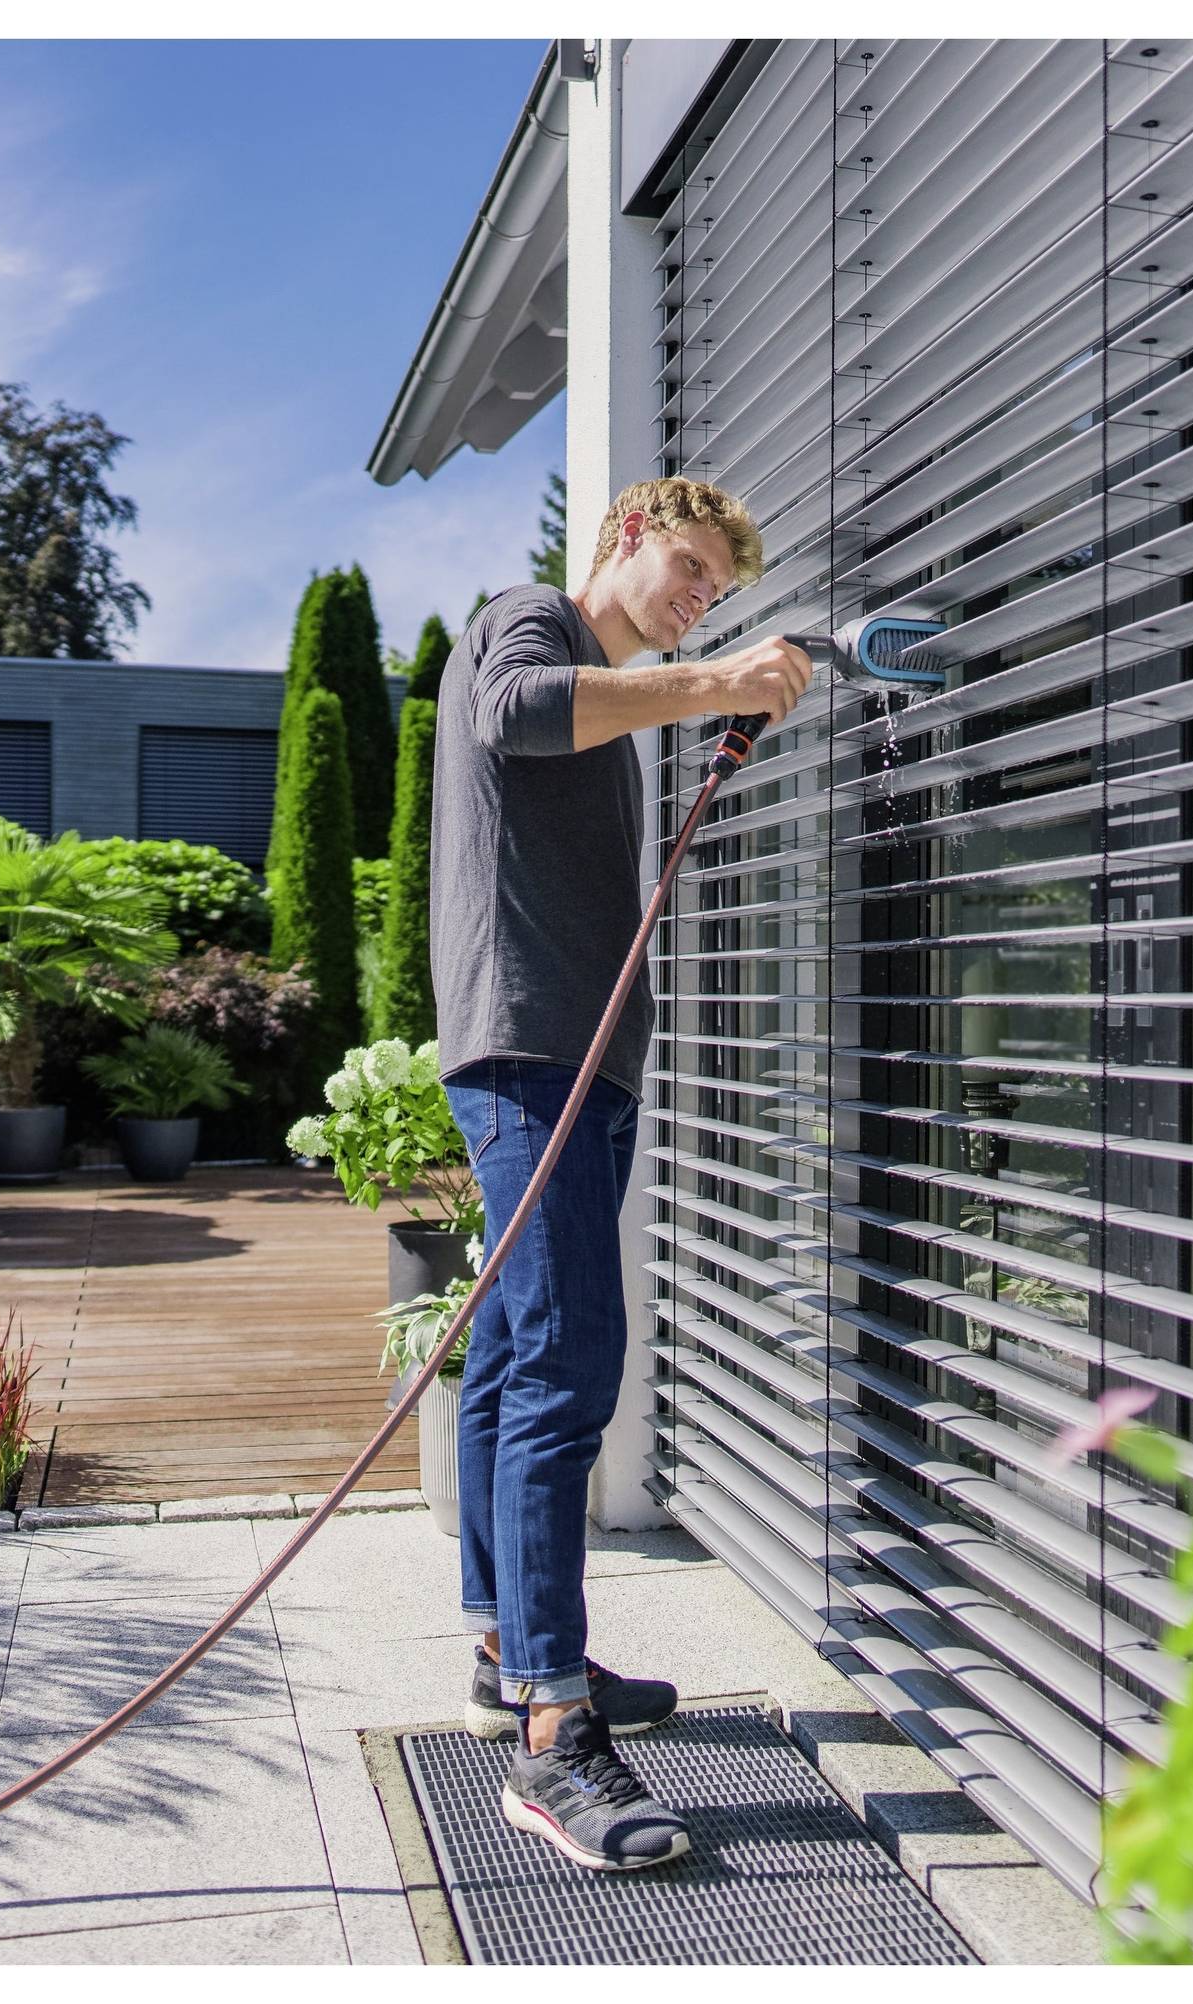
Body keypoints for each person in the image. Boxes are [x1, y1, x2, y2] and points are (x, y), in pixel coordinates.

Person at [428, 475, 812, 1871]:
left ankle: (505, 1651)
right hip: (530, 1048)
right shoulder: (526, 626)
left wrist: (698, 691)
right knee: (571, 1359)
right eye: (694, 570)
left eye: (716, 591)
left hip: (577, 1060)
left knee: (521, 1349)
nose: (702, 600)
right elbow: (517, 715)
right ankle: (552, 1731)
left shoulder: (619, 697)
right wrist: (714, 677)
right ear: (627, 535)